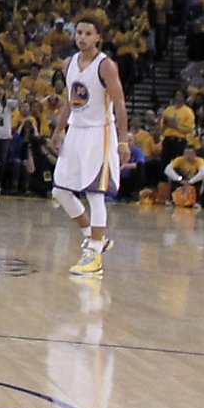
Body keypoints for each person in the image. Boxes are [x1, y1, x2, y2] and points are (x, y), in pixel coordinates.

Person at [53, 15, 127, 279]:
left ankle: (94, 254)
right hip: (76, 130)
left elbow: (119, 103)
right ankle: (93, 235)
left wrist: (124, 138)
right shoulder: (68, 63)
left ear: (98, 38)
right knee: (60, 190)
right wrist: (58, 130)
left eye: (87, 33)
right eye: (79, 32)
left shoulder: (106, 66)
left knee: (95, 194)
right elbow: (69, 100)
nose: (82, 37)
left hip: (99, 132)